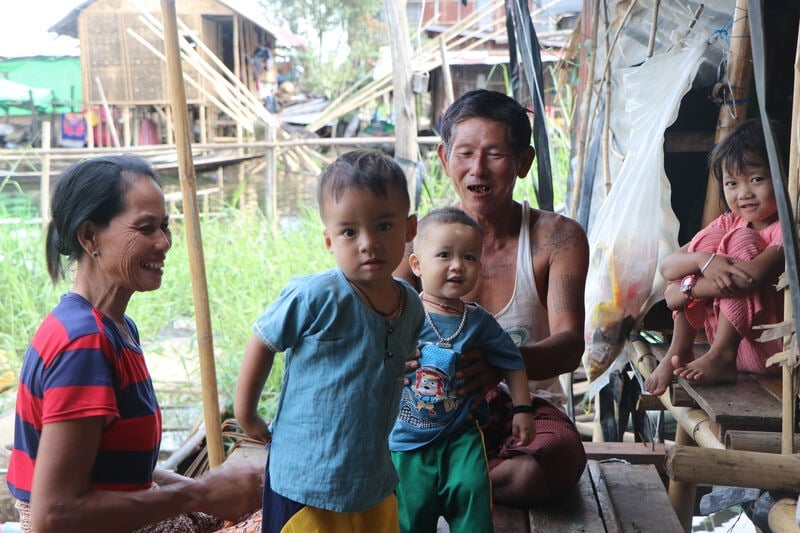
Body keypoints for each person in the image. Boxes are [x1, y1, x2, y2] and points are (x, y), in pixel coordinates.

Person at [6, 155, 263, 533]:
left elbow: (112, 466)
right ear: (89, 236)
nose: (164, 242)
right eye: (145, 228)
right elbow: (54, 517)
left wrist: (199, 489)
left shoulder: (116, 328)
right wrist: (200, 494)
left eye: (164, 226)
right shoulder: (83, 343)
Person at [398, 89, 589, 507]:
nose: (477, 169)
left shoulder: (555, 238)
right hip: (425, 408)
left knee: (530, 471)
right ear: (445, 159)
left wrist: (499, 366)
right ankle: (451, 481)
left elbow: (571, 345)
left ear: (524, 162)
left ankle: (440, 484)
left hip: (528, 407)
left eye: (495, 155)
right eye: (464, 153)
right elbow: (377, 321)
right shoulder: (416, 240)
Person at [234, 149, 424, 533]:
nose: (368, 243)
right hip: (306, 479)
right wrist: (246, 414)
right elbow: (263, 340)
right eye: (349, 232)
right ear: (328, 240)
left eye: (384, 226)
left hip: (370, 476)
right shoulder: (317, 295)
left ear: (409, 229)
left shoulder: (411, 305)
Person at [389, 206, 535, 532]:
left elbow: (512, 360)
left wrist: (523, 409)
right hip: (405, 439)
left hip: (460, 435)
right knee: (410, 516)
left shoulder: (477, 320)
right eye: (444, 255)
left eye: (469, 258)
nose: (458, 265)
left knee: (473, 494)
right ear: (417, 264)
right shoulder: (401, 314)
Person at [644, 119, 785, 396]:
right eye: (732, 183)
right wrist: (702, 262)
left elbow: (746, 279)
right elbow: (667, 266)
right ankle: (679, 349)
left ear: (781, 175)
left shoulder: (788, 230)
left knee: (740, 241)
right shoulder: (730, 220)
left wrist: (683, 290)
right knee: (706, 245)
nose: (744, 193)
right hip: (746, 346)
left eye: (757, 179)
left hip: (773, 350)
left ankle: (721, 354)